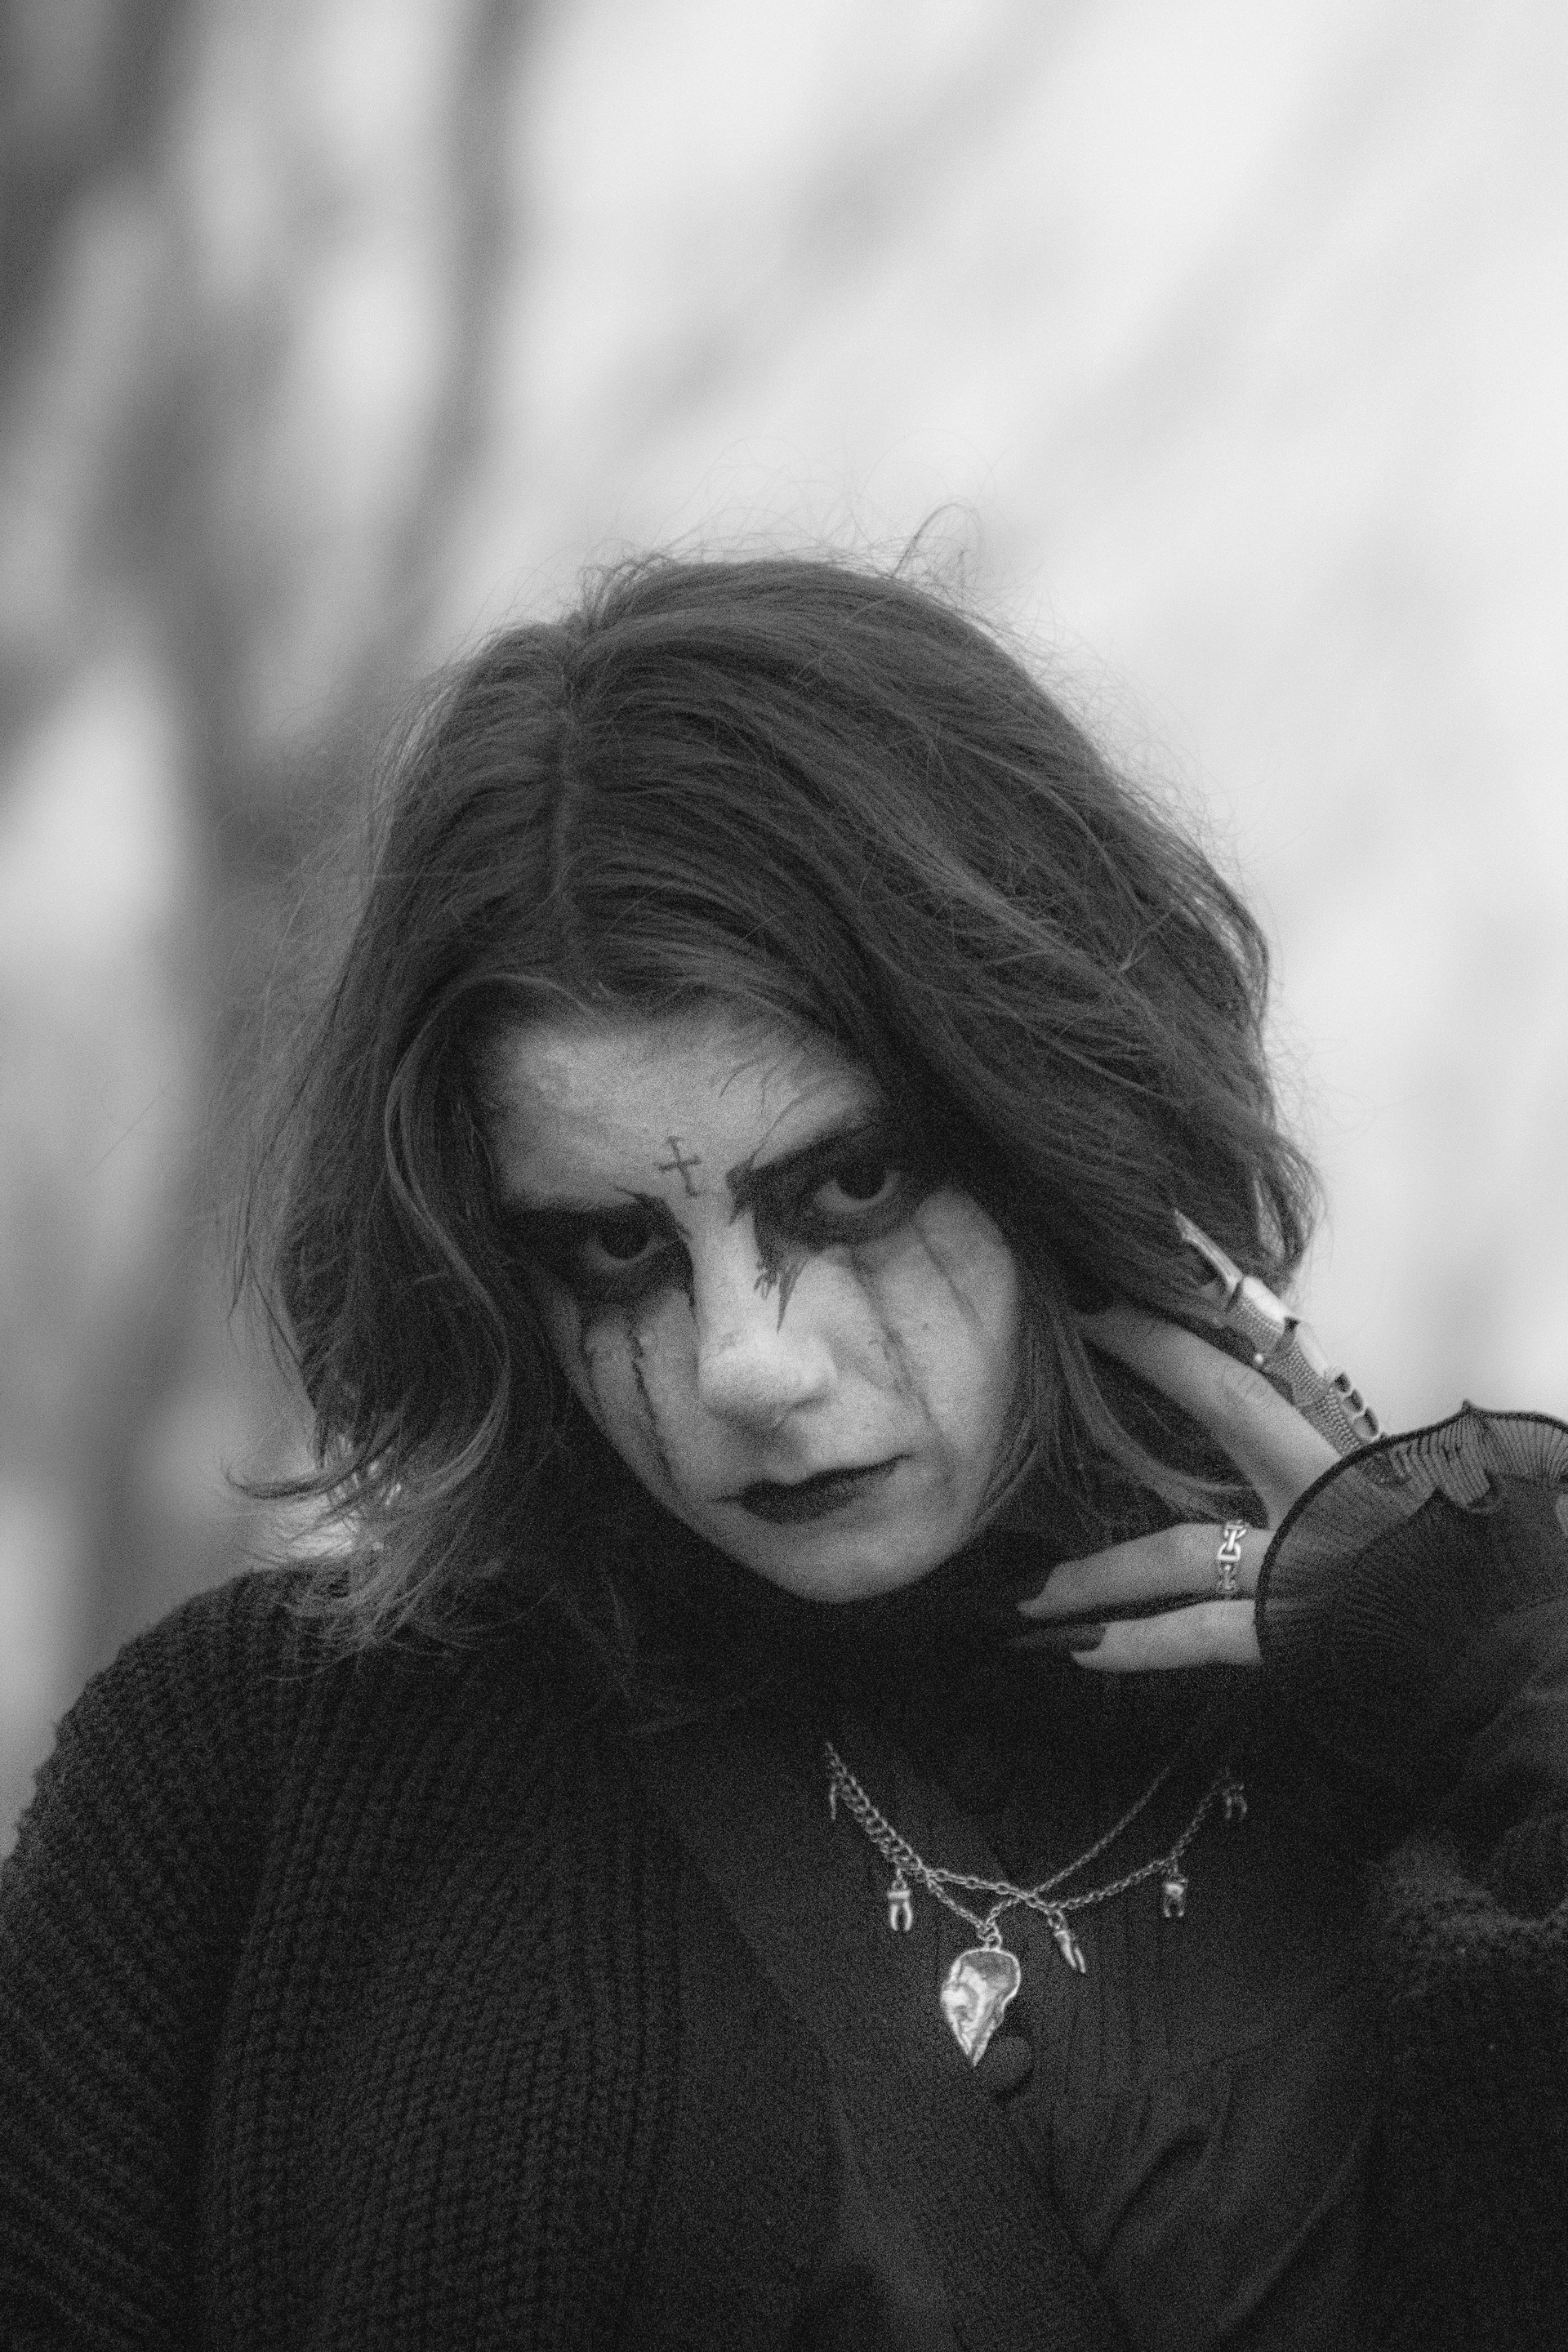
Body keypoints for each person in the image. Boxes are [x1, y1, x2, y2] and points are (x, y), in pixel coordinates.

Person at [2, 552, 1565, 2351]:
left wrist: (1520, 1696)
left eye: (851, 1185)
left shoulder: (1422, 1768)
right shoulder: (262, 1777)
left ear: (1061, 1121)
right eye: (614, 1246)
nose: (746, 1360)